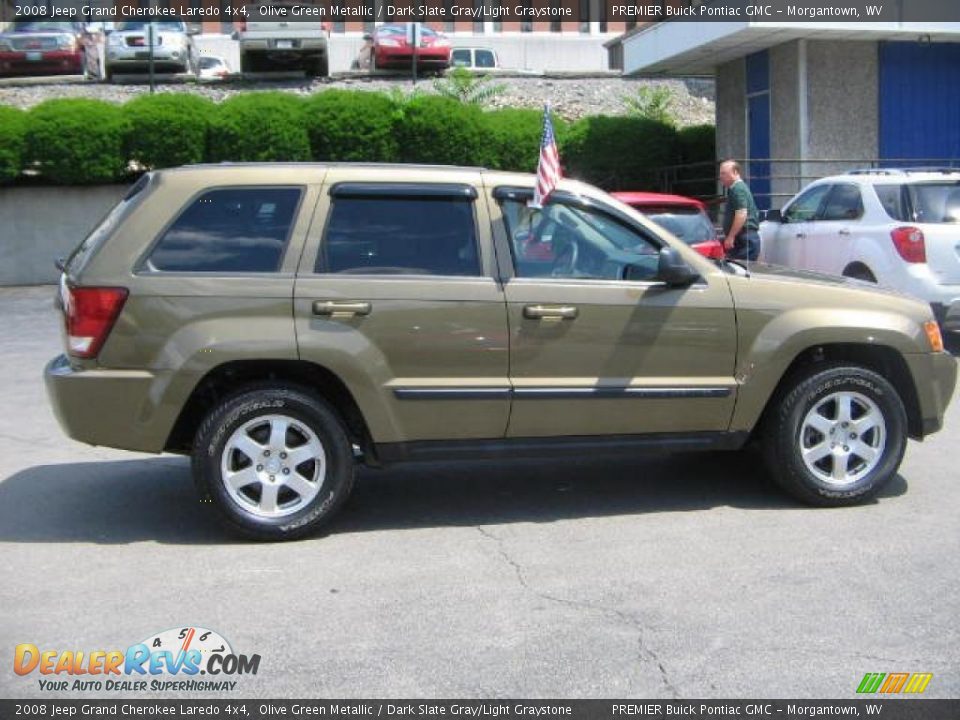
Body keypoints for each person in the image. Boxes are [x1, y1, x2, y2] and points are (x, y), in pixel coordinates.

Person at [719, 160, 760, 261]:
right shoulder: (735, 189)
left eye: (724, 173)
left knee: (739, 272)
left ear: (735, 172)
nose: (721, 177)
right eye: (720, 173)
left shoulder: (738, 189)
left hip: (744, 239)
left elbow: (741, 214)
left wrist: (730, 237)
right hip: (743, 239)